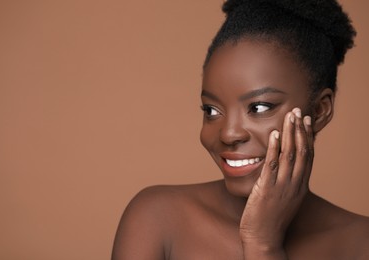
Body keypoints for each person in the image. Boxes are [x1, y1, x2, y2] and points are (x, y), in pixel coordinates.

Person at [112, 0, 369, 259]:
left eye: (259, 107)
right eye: (212, 110)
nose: (228, 134)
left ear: (319, 111)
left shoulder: (360, 242)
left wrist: (262, 244)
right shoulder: (157, 219)